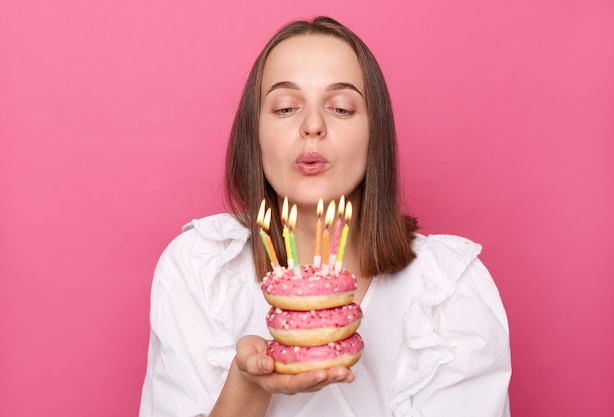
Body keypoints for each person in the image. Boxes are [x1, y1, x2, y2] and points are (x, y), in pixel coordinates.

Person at [139, 16, 511, 417]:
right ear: (255, 133)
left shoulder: (448, 289)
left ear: (375, 134)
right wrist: (246, 387)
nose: (312, 126)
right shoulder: (200, 268)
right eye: (284, 108)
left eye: (340, 108)